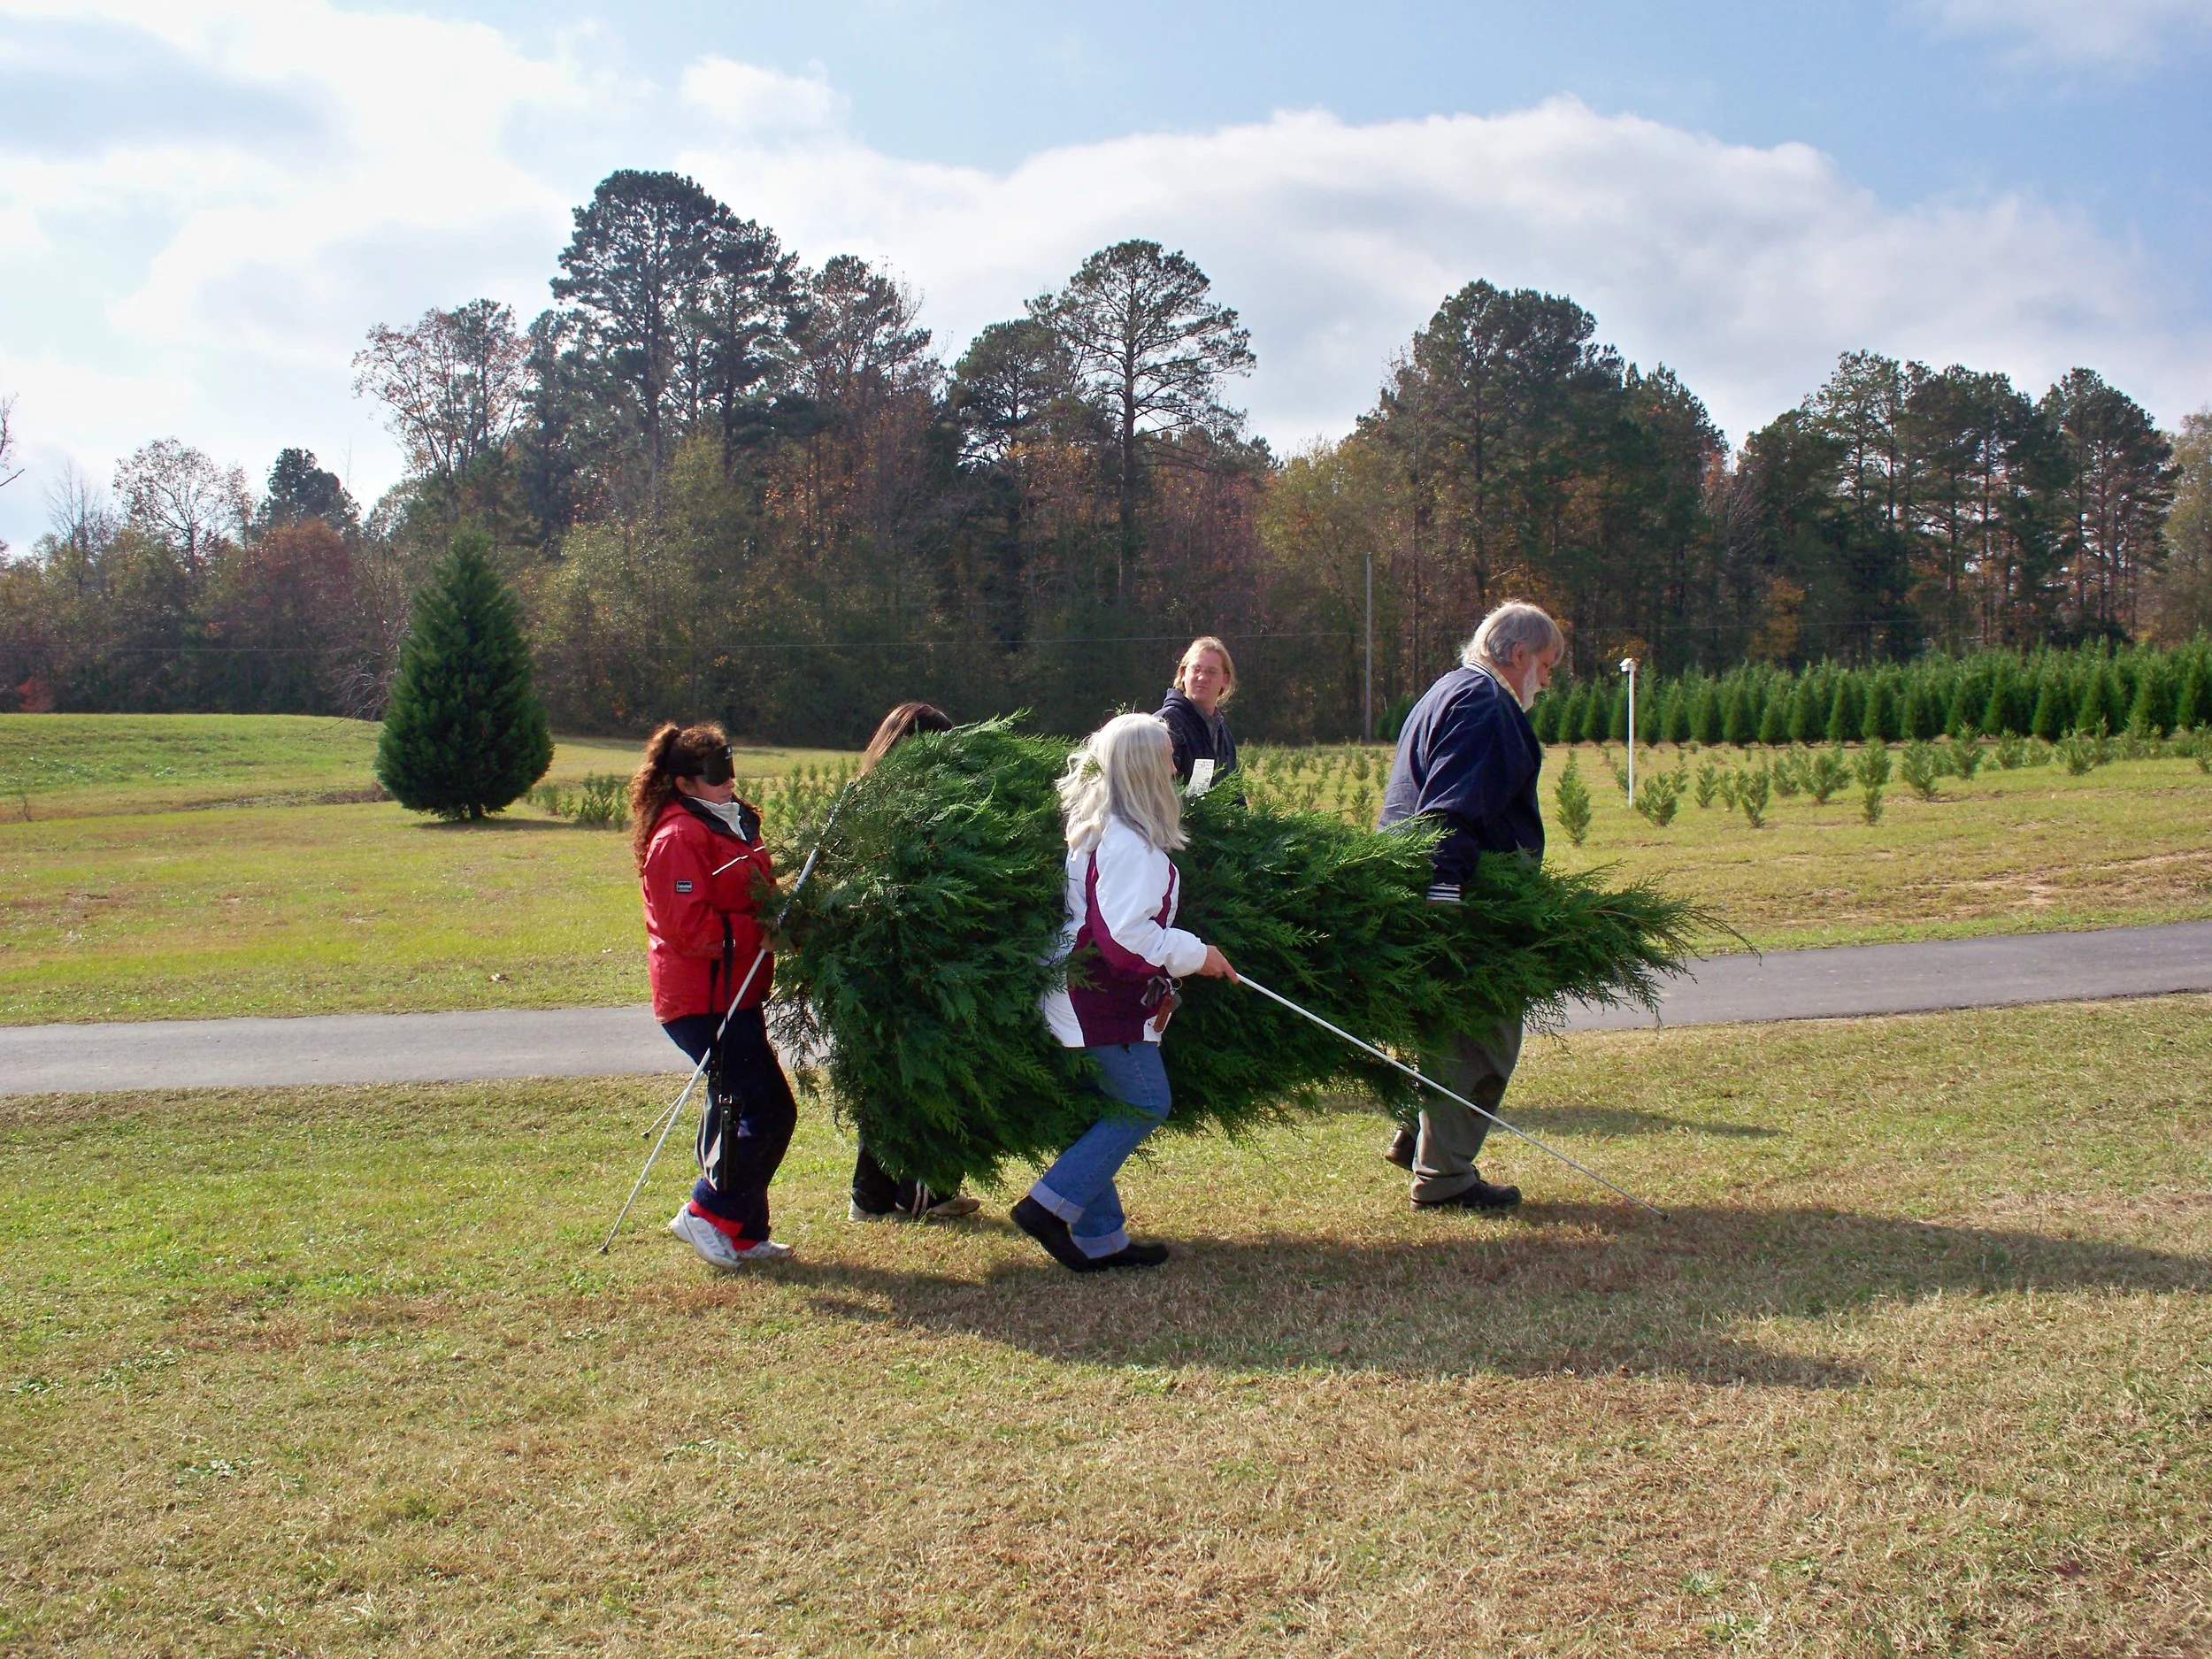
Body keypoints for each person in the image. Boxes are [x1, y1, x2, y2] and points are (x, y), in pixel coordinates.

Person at [1011, 713, 1240, 1272]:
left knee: (1108, 1106)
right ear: (1142, 768)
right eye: (1166, 755)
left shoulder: (1102, 826)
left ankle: (1100, 1237)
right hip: (1098, 995)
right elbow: (1124, 941)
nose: (1175, 765)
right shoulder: (1132, 845)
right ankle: (1046, 1207)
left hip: (1080, 985)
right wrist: (1197, 956)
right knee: (1144, 1101)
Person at [1377, 601, 1565, 1212]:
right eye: (1545, 665)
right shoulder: (1485, 704)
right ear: (1518, 655)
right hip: (1461, 896)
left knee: (1442, 1022)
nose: (1546, 680)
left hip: (1431, 883)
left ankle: (1419, 1138)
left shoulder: (1447, 690)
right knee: (1485, 1032)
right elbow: (1450, 809)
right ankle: (1445, 1178)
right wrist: (1444, 893)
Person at [631, 721, 799, 1268]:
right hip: (701, 1001)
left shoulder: (735, 821)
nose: (728, 781)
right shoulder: (678, 837)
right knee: (768, 1109)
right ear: (683, 783)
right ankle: (705, 1213)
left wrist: (783, 909)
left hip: (737, 991)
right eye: (714, 774)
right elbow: (691, 929)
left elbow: (752, 890)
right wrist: (763, 927)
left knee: (741, 1109)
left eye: (730, 768)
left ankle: (746, 1231)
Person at [847, 702, 983, 1223]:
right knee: (919, 1078)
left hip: (871, 963)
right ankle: (918, 1193)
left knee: (886, 1080)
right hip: (909, 963)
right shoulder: (920, 811)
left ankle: (872, 1198)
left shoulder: (862, 800)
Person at [1155, 635, 1239, 790]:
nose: (1202, 677)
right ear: (1183, 673)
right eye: (1196, 669)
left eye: (1211, 672)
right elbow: (1156, 794)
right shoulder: (1164, 724)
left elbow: (1235, 794)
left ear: (1225, 680)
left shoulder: (1223, 734)